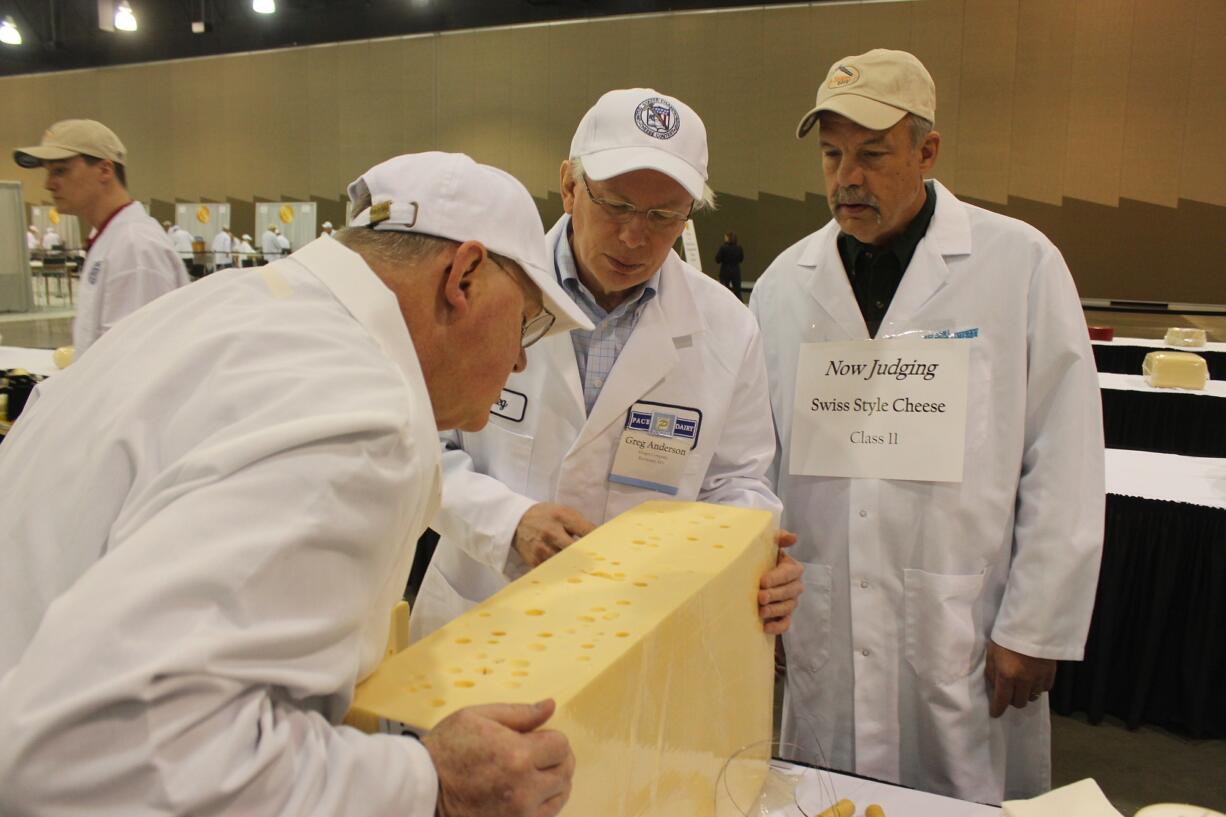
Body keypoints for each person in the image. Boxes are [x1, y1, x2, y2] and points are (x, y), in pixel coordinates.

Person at [0, 151, 590, 817]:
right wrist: (429, 782)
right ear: (464, 276)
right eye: (528, 322)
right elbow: (110, 758)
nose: (518, 358)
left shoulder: (225, 309)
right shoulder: (359, 409)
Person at [749, 49, 1105, 803]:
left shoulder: (1020, 265)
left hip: (963, 620)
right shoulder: (783, 286)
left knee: (962, 794)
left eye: (873, 154)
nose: (848, 176)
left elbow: (1065, 455)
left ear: (927, 150)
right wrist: (757, 604)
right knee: (830, 794)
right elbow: (754, 461)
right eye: (833, 154)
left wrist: (1035, 624)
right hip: (822, 617)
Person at [411, 88, 803, 642]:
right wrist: (507, 523)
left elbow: (737, 482)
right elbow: (417, 448)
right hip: (484, 610)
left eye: (664, 215)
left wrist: (755, 556)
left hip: (639, 627)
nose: (635, 236)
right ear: (570, 187)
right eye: (616, 205)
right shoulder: (475, 292)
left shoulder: (727, 326)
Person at [14, 120, 189, 357]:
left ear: (105, 170)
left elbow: (133, 361)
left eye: (60, 171)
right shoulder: (111, 238)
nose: (48, 184)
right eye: (48, 172)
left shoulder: (135, 248)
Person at [714, 231, 744, 299]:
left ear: (728, 238)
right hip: (736, 271)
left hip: (725, 271)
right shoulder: (739, 248)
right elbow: (741, 259)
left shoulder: (723, 248)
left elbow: (717, 260)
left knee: (724, 290)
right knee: (737, 291)